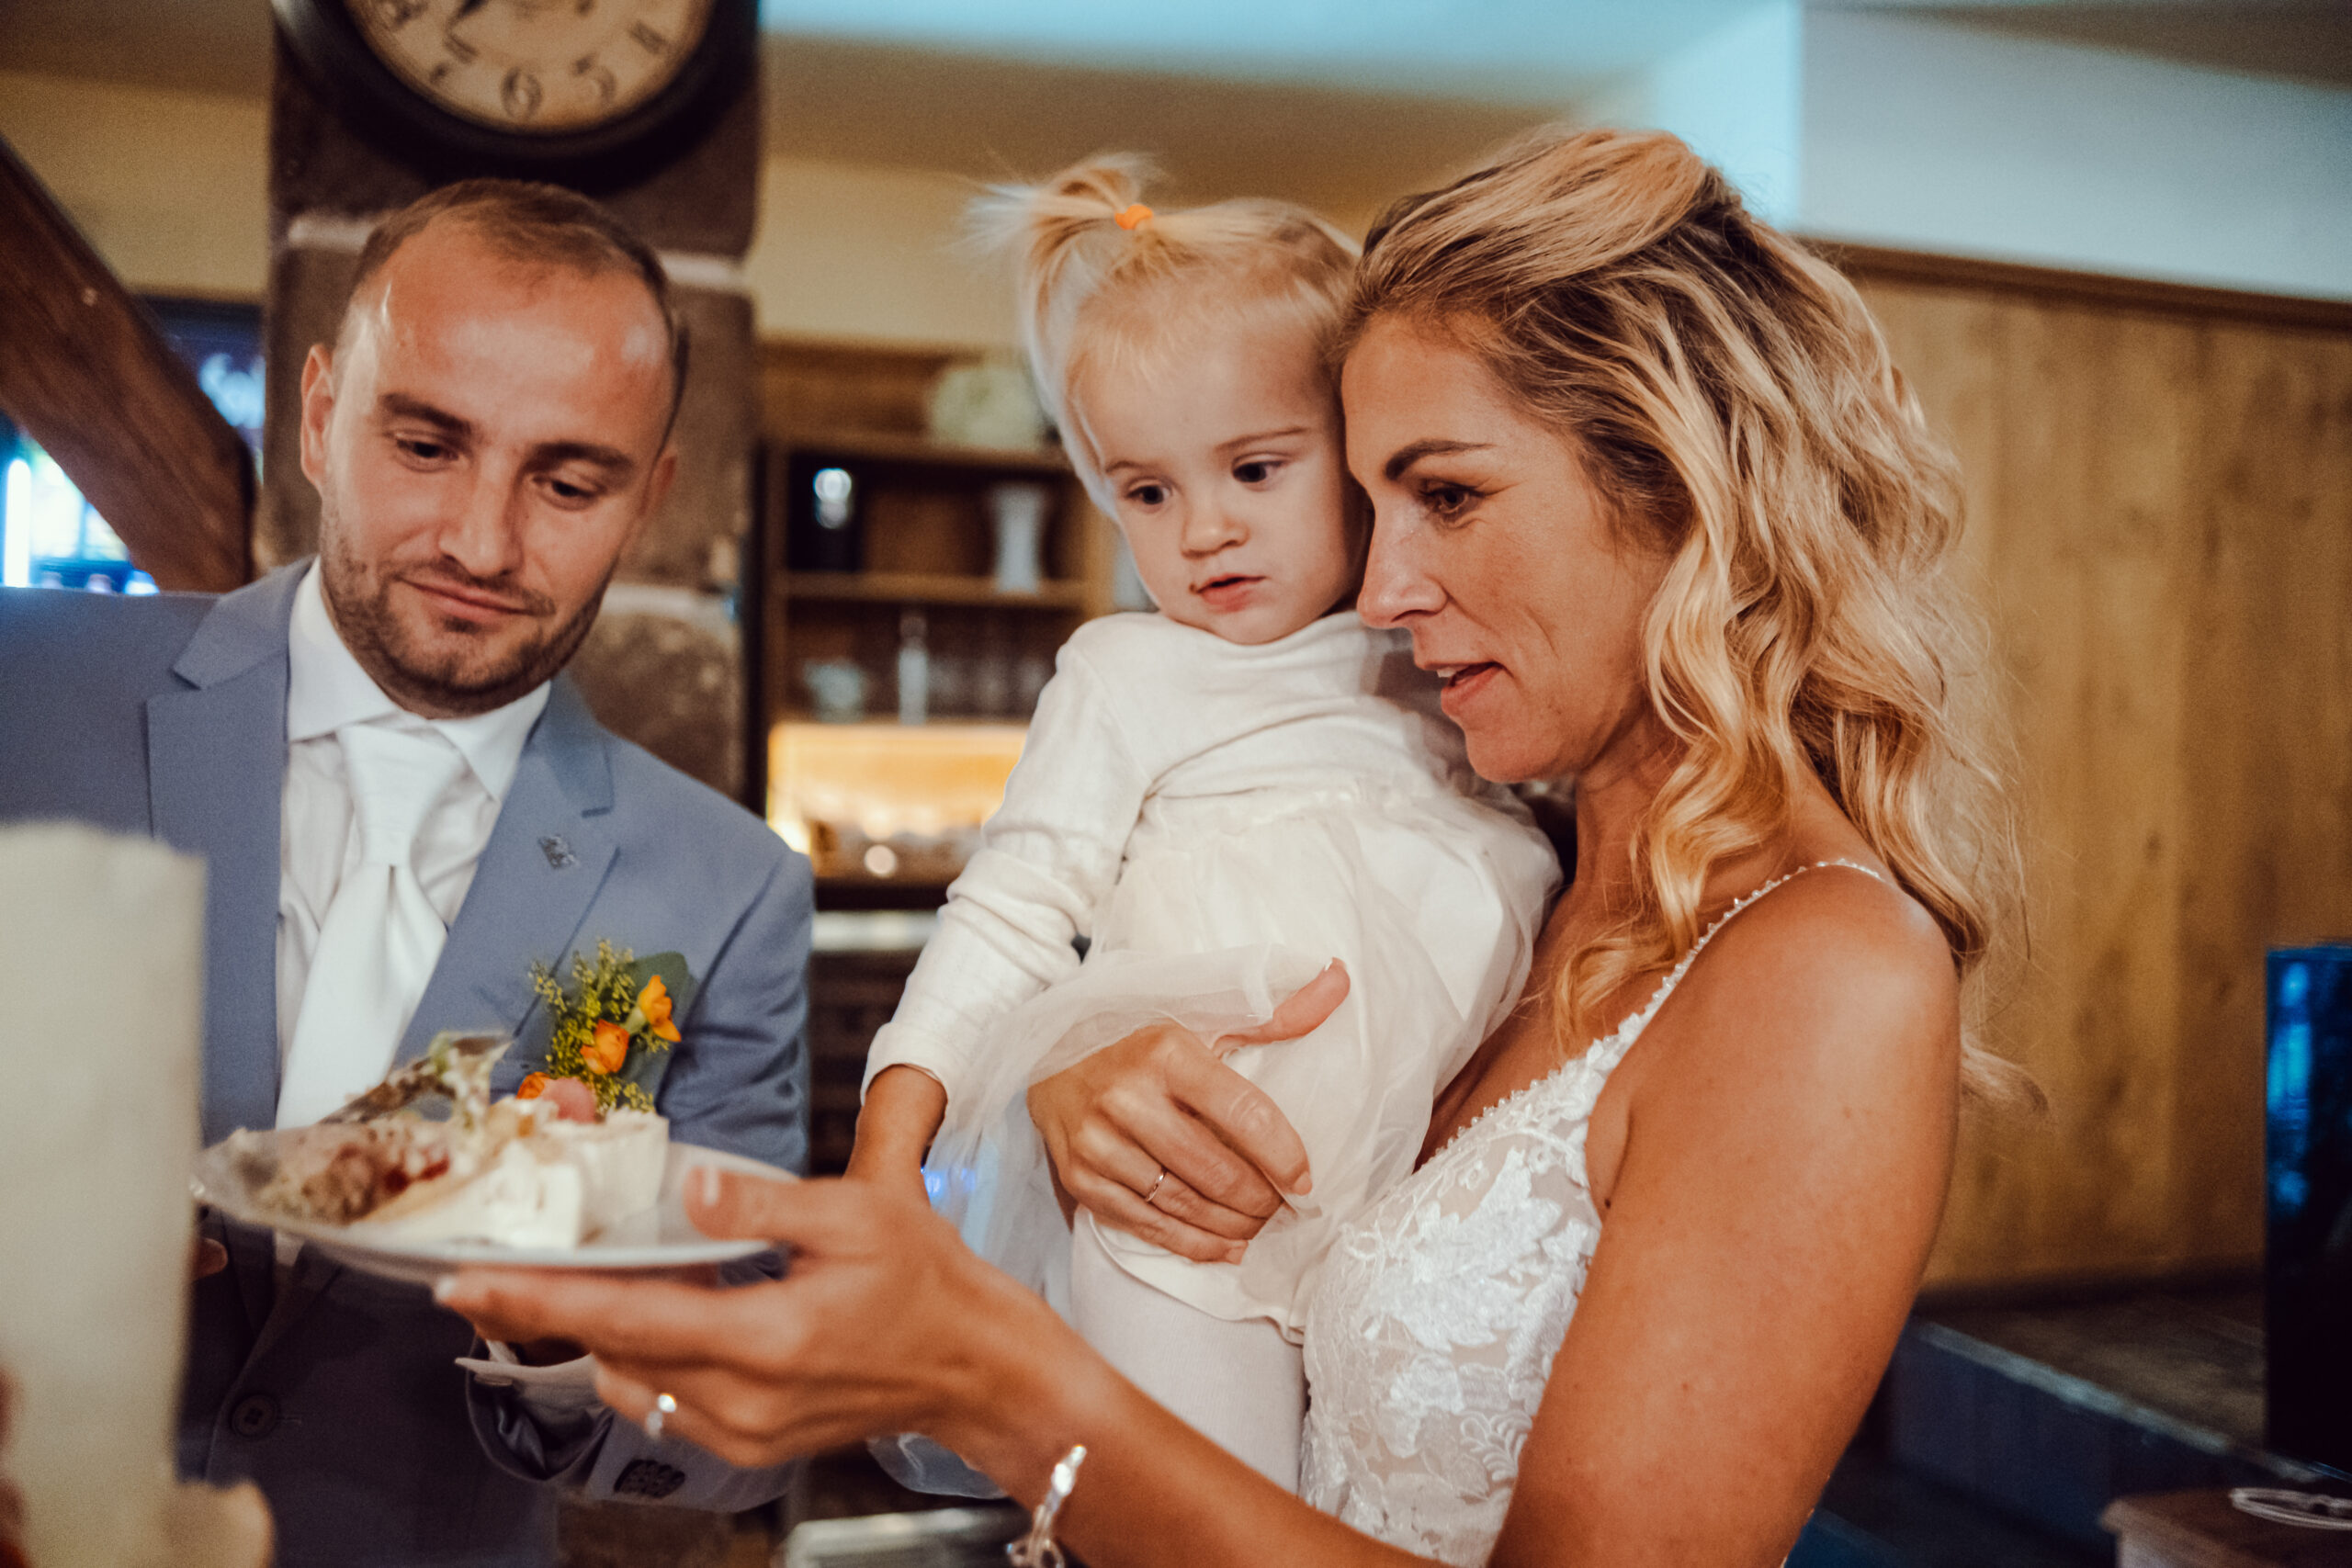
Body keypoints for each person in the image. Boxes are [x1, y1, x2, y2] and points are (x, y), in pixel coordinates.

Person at [443, 126, 2021, 1567]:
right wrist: (1071, 1080)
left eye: (1447, 495)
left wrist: (1001, 1384)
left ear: (1679, 485)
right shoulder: (1515, 864)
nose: (1381, 590)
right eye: (1371, 500)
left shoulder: (1823, 970)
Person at [0, 180, 811, 1567]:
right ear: (319, 417)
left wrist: (560, 1337)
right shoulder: (25, 685)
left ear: (652, 497)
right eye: (427, 446)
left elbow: (749, 1436)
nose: (482, 545)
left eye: (569, 483)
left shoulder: (730, 890)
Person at [845, 156, 1555, 1488]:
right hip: (1180, 1211)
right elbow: (1011, 908)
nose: (1205, 532)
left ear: (1356, 455)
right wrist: (891, 1146)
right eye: (1148, 492)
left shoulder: (1435, 660)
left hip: (1398, 1208)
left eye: (1254, 468)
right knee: (1198, 1510)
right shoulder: (1129, 673)